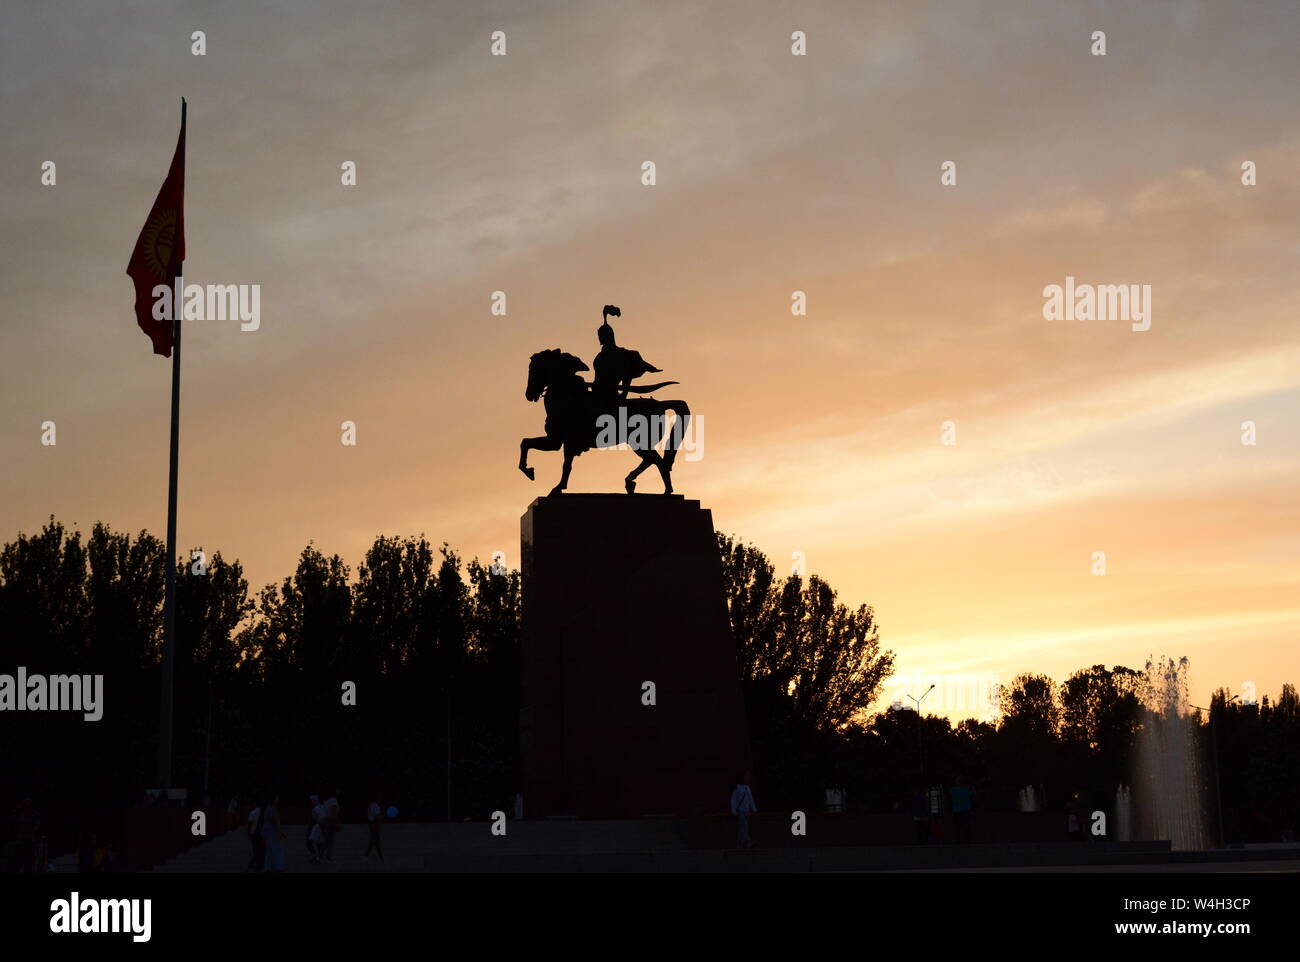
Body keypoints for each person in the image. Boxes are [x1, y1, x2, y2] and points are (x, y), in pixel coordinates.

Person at [730, 772, 757, 849]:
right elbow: (733, 800)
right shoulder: (737, 788)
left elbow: (750, 799)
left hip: (747, 810)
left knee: (743, 827)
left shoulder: (747, 788)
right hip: (741, 810)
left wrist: (753, 809)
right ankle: (748, 842)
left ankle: (740, 844)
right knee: (743, 826)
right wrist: (734, 811)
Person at [261, 793, 287, 872]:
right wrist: (279, 832)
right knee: (276, 848)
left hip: (268, 830)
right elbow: (275, 822)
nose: (278, 800)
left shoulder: (268, 808)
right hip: (272, 830)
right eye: (277, 798)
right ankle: (278, 865)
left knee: (270, 848)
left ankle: (269, 865)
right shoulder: (272, 809)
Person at [949, 776, 974, 844]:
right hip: (965, 810)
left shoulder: (952, 790)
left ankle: (957, 840)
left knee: (957, 826)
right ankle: (967, 840)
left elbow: (950, 798)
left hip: (956, 810)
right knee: (966, 826)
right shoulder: (966, 789)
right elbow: (972, 794)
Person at [321, 790, 341, 863]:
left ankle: (320, 857)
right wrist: (337, 824)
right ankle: (328, 857)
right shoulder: (333, 801)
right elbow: (334, 812)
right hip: (330, 822)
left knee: (326, 841)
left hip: (326, 821)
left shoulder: (328, 800)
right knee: (330, 841)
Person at [364, 790, 384, 861]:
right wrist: (382, 817)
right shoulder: (376, 806)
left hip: (371, 824)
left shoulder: (370, 805)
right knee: (374, 840)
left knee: (376, 840)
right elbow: (377, 817)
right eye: (380, 797)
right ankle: (366, 855)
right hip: (375, 824)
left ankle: (380, 856)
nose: (381, 798)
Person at [247, 797, 265, 873]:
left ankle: (254, 864)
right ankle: (257, 864)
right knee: (261, 849)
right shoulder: (263, 812)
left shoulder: (252, 812)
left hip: (254, 833)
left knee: (256, 849)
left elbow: (249, 824)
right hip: (261, 833)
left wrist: (248, 833)